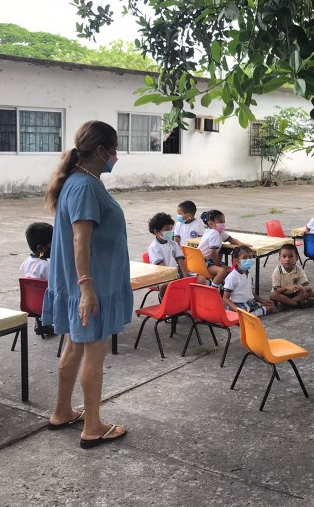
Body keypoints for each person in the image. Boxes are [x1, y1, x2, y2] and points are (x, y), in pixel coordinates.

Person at [41, 120, 131, 449]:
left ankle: (62, 411)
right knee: (94, 352)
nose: (116, 156)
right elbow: (81, 241)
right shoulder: (85, 186)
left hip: (84, 284)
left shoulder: (80, 182)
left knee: (74, 347)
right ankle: (93, 426)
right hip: (92, 286)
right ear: (100, 152)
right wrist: (87, 289)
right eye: (114, 150)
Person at [147, 212, 192, 299]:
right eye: (167, 229)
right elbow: (162, 267)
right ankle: (164, 301)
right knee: (166, 285)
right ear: (156, 231)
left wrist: (186, 276)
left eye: (171, 229)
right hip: (161, 275)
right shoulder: (154, 247)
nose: (170, 232)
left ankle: (187, 303)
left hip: (175, 273)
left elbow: (180, 261)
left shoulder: (173, 244)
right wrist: (175, 277)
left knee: (199, 278)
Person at [21, 222, 55, 336]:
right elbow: (54, 287)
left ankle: (41, 323)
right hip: (45, 307)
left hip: (29, 305)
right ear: (40, 248)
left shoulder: (25, 262)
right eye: (52, 244)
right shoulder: (46, 266)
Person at [222, 245, 276, 316]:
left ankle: (251, 315)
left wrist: (261, 300)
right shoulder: (232, 277)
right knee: (240, 314)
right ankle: (247, 316)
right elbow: (225, 298)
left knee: (271, 306)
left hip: (249, 303)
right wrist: (238, 310)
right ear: (236, 261)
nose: (248, 260)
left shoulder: (248, 274)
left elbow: (248, 291)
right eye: (244, 258)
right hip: (237, 305)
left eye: (250, 257)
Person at [198, 209, 241, 289]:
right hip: (204, 263)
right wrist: (217, 264)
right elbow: (213, 252)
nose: (223, 224)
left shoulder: (216, 232)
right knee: (223, 271)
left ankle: (225, 289)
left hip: (206, 261)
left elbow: (231, 239)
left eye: (223, 221)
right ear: (211, 224)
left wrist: (241, 244)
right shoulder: (214, 233)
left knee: (229, 270)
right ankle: (213, 290)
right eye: (220, 222)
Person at [270, 243, 314, 309]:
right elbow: (276, 290)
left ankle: (286, 304)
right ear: (279, 259)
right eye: (284, 256)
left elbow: (306, 286)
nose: (287, 259)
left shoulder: (299, 269)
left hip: (294, 294)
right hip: (282, 294)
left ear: (296, 258)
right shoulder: (277, 271)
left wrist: (302, 289)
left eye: (291, 256)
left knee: (311, 292)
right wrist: (286, 288)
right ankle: (298, 304)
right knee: (273, 295)